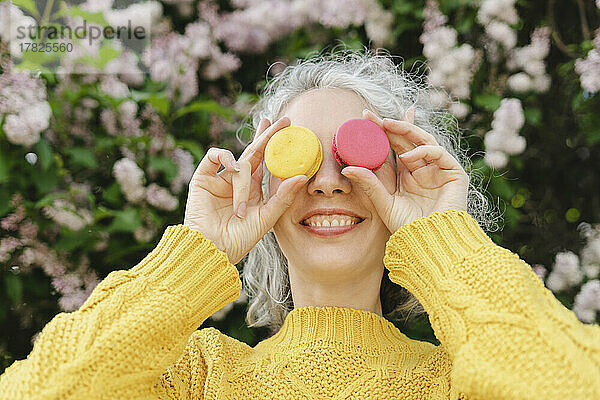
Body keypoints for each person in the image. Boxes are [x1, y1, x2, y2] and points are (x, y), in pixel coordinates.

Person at [1, 48, 599, 399]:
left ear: (402, 180)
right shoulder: (197, 380)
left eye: (357, 156)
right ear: (261, 187)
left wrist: (445, 239)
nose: (328, 181)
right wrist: (193, 254)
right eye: (302, 157)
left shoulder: (460, 383)